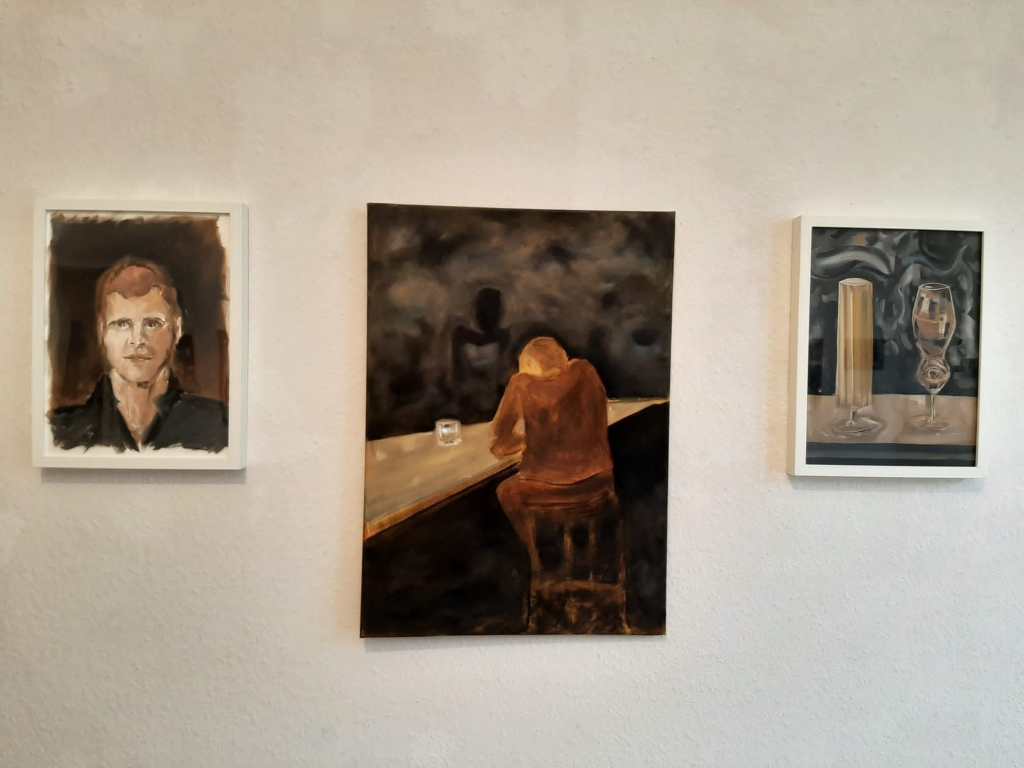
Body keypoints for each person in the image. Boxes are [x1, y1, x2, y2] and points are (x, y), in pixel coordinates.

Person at [49, 257, 228, 452]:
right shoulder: (60, 431)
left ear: (177, 329)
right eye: (122, 324)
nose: (137, 340)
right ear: (102, 332)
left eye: (152, 324)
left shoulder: (218, 425)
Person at [490, 337, 614, 528]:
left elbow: (500, 444)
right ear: (563, 357)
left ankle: (535, 545)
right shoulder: (586, 371)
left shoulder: (522, 384)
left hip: (551, 489)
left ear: (529, 364)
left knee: (506, 492)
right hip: (600, 481)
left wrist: (526, 442)